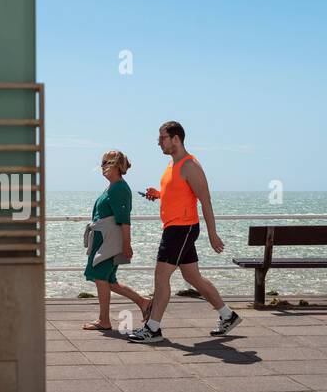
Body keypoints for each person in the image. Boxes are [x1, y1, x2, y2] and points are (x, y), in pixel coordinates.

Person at [128, 121, 241, 342]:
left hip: (182, 228)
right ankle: (228, 315)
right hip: (175, 226)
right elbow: (179, 194)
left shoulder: (190, 166)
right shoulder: (173, 165)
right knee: (193, 277)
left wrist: (213, 233)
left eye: (162, 138)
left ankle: (153, 329)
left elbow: (205, 200)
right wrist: (159, 194)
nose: (158, 142)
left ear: (176, 139)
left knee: (161, 276)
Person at [82, 151, 151, 331]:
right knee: (109, 280)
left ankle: (104, 320)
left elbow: (124, 219)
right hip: (103, 239)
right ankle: (144, 303)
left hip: (108, 241)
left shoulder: (119, 187)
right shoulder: (112, 186)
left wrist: (126, 245)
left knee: (100, 277)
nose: (103, 166)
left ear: (116, 165)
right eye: (102, 162)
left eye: (107, 162)